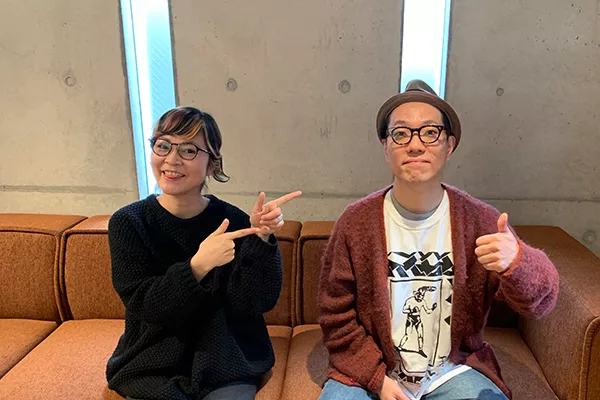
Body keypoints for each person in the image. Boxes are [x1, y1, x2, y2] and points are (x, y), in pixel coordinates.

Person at [317, 81, 559, 400]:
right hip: (372, 372)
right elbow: (335, 316)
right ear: (386, 147)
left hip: (452, 371)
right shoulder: (355, 222)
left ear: (449, 145)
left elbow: (543, 301)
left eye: (430, 132)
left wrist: (517, 262)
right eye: (401, 134)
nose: (415, 145)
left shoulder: (480, 221)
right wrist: (376, 378)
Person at [106, 106, 301, 400]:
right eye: (163, 145)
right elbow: (144, 306)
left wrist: (261, 238)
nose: (172, 159)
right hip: (152, 364)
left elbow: (253, 303)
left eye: (188, 150)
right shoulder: (129, 223)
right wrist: (197, 266)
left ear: (212, 164)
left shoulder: (233, 221)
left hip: (225, 361)